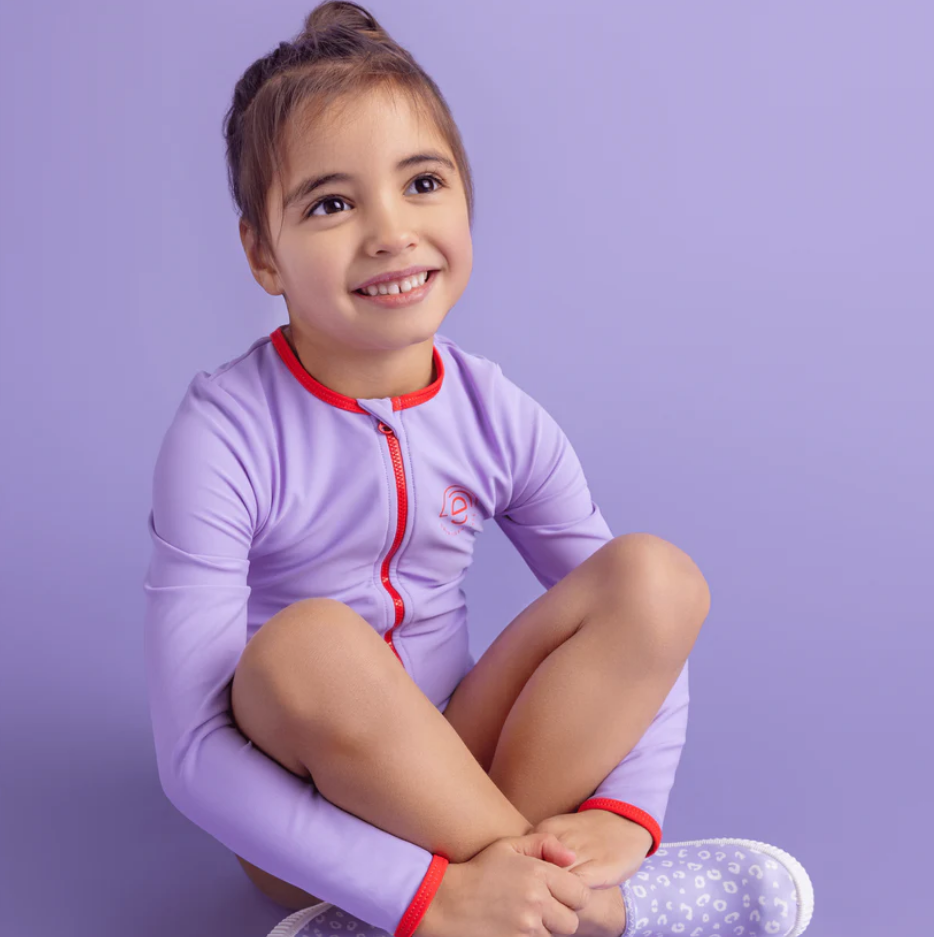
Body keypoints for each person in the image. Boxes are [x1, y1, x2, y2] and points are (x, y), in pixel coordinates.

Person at [143, 4, 813, 937]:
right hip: (305, 805)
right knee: (310, 643)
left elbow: (641, 631)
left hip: (473, 762)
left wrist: (627, 809)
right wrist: (430, 894)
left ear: (466, 198)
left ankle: (479, 910)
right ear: (263, 252)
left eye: (422, 182)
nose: (391, 232)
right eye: (331, 204)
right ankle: (582, 915)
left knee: (656, 577)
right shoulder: (225, 432)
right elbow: (192, 752)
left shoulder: (494, 412)